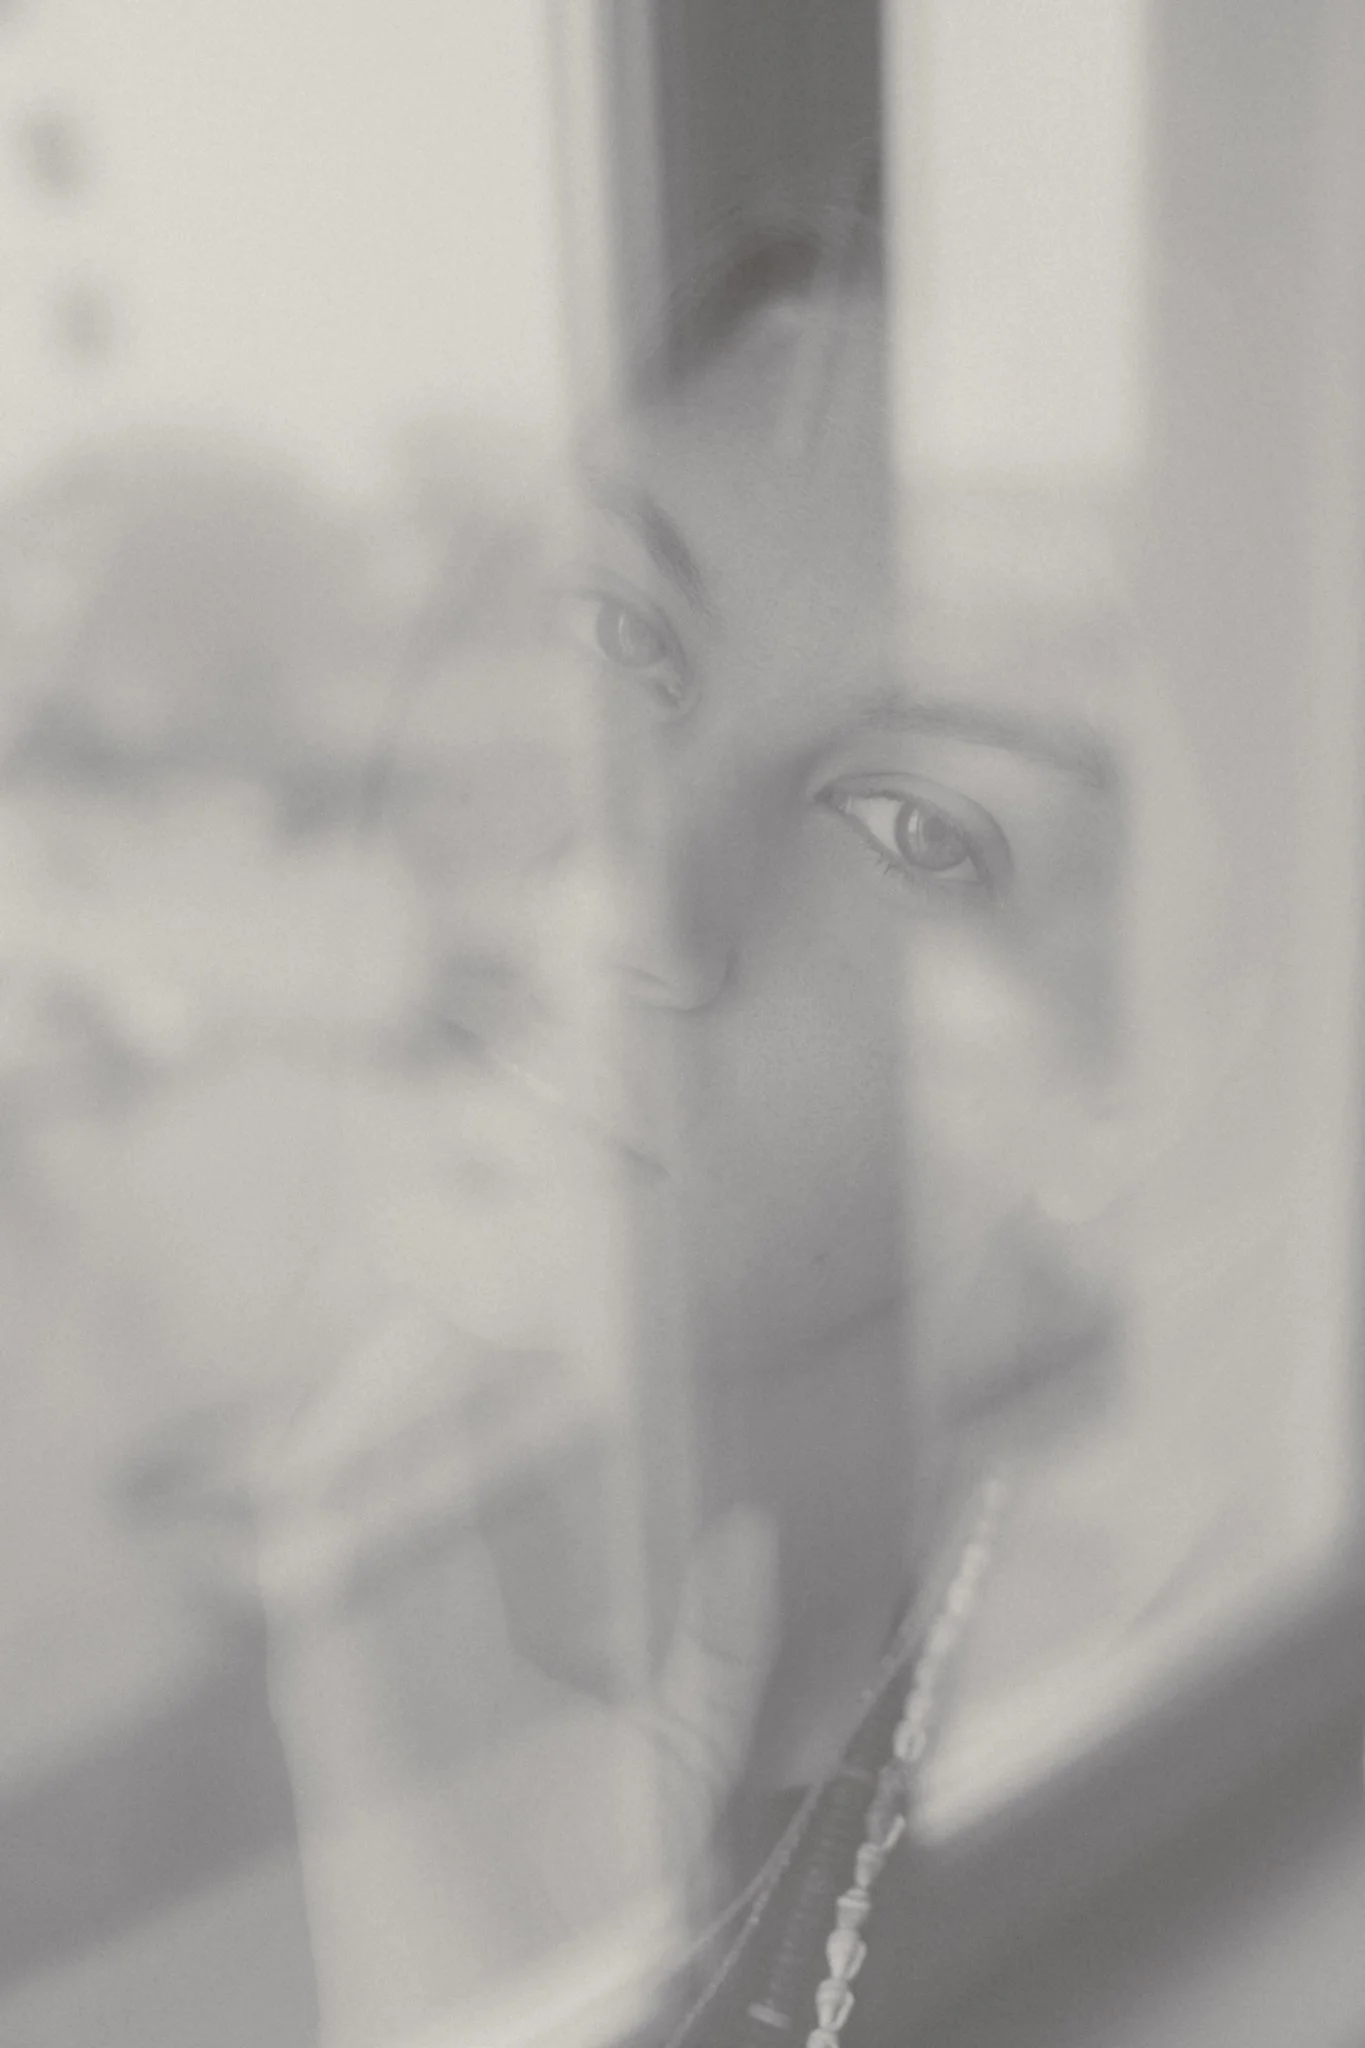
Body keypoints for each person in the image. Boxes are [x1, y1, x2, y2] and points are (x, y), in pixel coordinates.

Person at [257, 202, 1147, 2048]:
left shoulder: (1155, 1701)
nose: (639, 900)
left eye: (914, 826)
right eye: (621, 630)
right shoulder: (410, 1499)